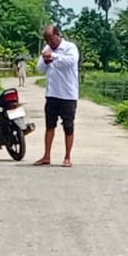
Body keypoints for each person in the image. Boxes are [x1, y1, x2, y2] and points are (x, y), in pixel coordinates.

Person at [34, 25, 79, 167]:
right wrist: (45, 60)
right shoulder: (46, 50)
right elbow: (39, 69)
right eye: (47, 41)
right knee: (49, 126)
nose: (49, 43)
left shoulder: (70, 47)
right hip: (52, 94)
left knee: (68, 127)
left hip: (68, 95)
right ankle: (46, 156)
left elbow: (70, 62)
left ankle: (67, 157)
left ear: (58, 35)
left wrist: (53, 56)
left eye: (51, 39)